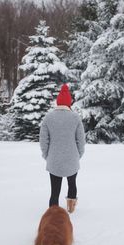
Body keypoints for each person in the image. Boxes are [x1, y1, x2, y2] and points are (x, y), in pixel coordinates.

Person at [39, 83, 85, 213]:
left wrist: (47, 156)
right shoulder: (75, 118)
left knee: (54, 190)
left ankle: (53, 212)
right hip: (72, 159)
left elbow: (43, 140)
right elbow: (81, 141)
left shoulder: (48, 117)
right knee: (72, 184)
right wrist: (78, 155)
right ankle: (71, 208)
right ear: (69, 103)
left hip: (54, 160)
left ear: (58, 102)